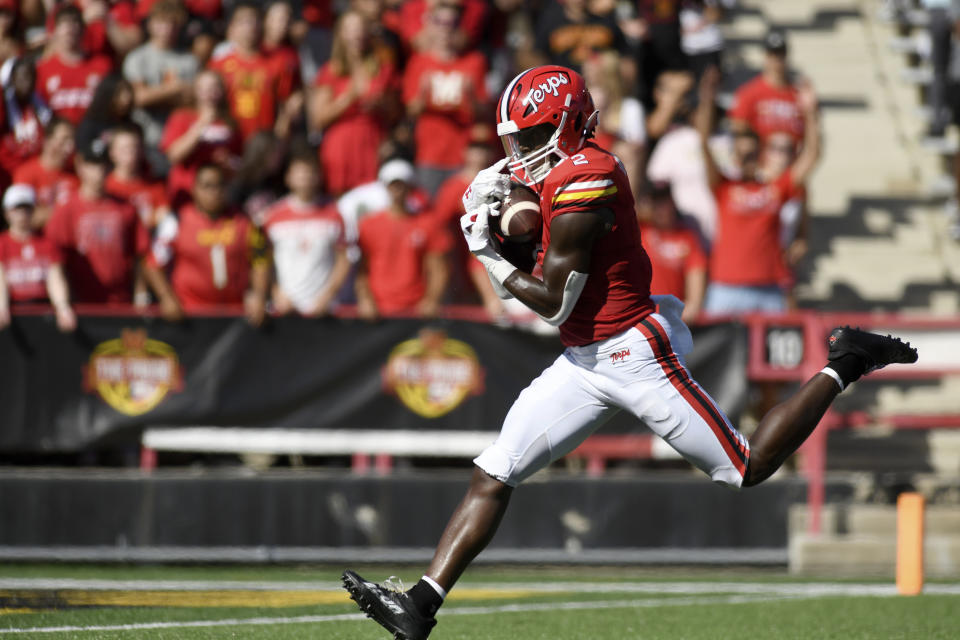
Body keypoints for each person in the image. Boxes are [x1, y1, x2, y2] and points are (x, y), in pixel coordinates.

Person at [341, 64, 918, 640]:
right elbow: (541, 263)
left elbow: (552, 303)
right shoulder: (550, 171)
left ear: (569, 125)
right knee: (496, 470)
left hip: (633, 352)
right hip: (584, 359)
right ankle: (418, 607)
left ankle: (847, 359)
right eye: (515, 138)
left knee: (745, 468)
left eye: (532, 136)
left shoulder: (591, 175)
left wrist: (487, 250)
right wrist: (505, 226)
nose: (519, 151)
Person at [698, 67, 820, 313]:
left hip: (769, 290)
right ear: (734, 156)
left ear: (761, 156)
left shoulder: (776, 188)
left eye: (752, 154)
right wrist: (707, 100)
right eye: (742, 154)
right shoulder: (723, 186)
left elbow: (811, 156)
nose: (746, 159)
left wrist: (810, 113)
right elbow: (702, 142)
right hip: (725, 288)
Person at [143, 163, 270, 326]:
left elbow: (261, 261)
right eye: (207, 186)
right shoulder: (176, 222)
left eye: (219, 185)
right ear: (194, 189)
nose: (214, 192)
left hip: (236, 315)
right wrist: (166, 297)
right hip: (191, 315)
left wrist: (259, 295)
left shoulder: (244, 221)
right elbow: (153, 264)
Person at [44, 142, 148, 304]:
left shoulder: (126, 207)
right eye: (92, 165)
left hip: (121, 299)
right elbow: (58, 258)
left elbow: (139, 254)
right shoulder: (67, 209)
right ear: (80, 166)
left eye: (103, 165)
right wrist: (66, 299)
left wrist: (140, 293)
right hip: (82, 302)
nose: (98, 171)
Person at [402, 1, 489, 195]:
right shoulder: (419, 62)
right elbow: (410, 110)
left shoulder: (474, 61)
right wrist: (423, 97)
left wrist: (472, 97)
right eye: (440, 22)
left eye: (452, 23)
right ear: (430, 24)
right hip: (429, 154)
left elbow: (485, 111)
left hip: (464, 155)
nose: (445, 29)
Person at [310, 10, 400, 196]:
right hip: (341, 145)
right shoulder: (331, 71)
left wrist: (381, 105)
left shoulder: (383, 68)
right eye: (350, 29)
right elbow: (318, 118)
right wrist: (349, 97)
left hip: (373, 142)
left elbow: (397, 113)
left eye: (360, 28)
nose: (356, 34)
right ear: (341, 34)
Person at [355, 158, 451, 318]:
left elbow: (439, 268)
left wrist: (431, 300)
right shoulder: (368, 224)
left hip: (415, 311)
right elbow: (362, 269)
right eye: (393, 184)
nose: (397, 189)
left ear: (410, 187)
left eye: (402, 184)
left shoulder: (427, 223)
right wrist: (365, 299)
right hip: (378, 310)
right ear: (385, 187)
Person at [263, 151, 350, 316]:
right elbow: (263, 261)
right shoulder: (272, 216)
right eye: (300, 172)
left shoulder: (334, 215)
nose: (305, 177)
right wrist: (275, 292)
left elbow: (344, 259)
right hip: (285, 308)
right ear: (288, 177)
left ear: (318, 177)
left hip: (324, 310)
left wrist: (328, 296)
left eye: (309, 172)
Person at [122, 0, 198, 159]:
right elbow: (139, 97)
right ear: (150, 24)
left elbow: (194, 100)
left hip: (179, 140)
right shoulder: (138, 58)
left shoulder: (189, 60)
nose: (167, 29)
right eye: (161, 22)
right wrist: (176, 88)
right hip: (147, 139)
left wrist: (157, 95)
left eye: (173, 23)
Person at [159, 69, 243, 210]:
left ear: (222, 91)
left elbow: (238, 163)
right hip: (186, 193)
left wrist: (228, 162)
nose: (210, 92)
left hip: (218, 195)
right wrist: (202, 124)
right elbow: (174, 156)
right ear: (196, 91)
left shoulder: (230, 124)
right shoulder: (181, 117)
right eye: (204, 88)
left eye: (214, 87)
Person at [0, 183, 75, 331]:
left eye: (26, 209)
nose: (22, 215)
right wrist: (1, 306)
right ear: (7, 213)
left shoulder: (47, 244)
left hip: (43, 311)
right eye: (17, 209)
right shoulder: (2, 244)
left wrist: (62, 307)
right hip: (15, 311)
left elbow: (55, 277)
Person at [208, 3, 284, 141]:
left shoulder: (276, 63)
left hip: (264, 141)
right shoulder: (218, 65)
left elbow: (284, 106)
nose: (250, 26)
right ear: (232, 28)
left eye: (254, 20)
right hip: (229, 139)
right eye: (243, 21)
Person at [638, 181, 706, 324]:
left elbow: (696, 273)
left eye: (664, 203)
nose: (660, 209)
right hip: (642, 316)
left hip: (672, 318)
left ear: (673, 203)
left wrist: (692, 306)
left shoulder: (686, 236)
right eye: (655, 204)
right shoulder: (640, 230)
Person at [35, 4, 113, 125]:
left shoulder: (102, 66)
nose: (69, 28)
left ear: (83, 29)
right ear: (54, 31)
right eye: (63, 23)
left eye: (74, 22)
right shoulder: (42, 69)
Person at [728, 29, 805, 147]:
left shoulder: (798, 94)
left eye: (780, 55)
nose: (776, 60)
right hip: (759, 162)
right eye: (772, 55)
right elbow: (738, 128)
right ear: (765, 56)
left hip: (792, 161)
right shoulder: (748, 92)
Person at [12, 117, 78, 228]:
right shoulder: (25, 173)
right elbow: (26, 218)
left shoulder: (74, 177)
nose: (70, 147)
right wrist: (66, 214)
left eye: (72, 140)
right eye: (64, 140)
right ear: (47, 140)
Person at [105, 122, 171, 231]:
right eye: (124, 148)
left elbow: (164, 213)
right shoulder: (106, 186)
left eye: (134, 147)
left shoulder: (154, 185)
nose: (131, 153)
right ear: (112, 153)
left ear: (141, 150)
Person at [0, 57, 52, 192]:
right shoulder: (4, 104)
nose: (27, 83)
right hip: (7, 174)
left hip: (35, 175)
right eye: (22, 77)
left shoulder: (42, 107)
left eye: (31, 78)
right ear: (11, 80)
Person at [74, 73, 136, 154]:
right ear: (107, 96)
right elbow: (83, 153)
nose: (127, 99)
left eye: (129, 92)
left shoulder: (131, 125)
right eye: (120, 94)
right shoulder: (90, 124)